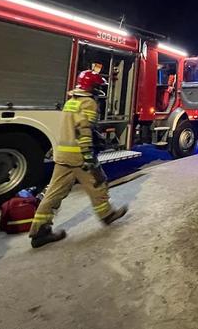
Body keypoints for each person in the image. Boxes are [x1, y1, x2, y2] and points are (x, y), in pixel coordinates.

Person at [28, 68, 128, 248]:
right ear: (91, 87)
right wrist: (88, 154)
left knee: (54, 192)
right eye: (97, 86)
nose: (99, 89)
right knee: (98, 182)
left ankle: (39, 231)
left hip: (63, 154)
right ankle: (107, 215)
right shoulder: (88, 102)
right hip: (79, 155)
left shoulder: (71, 101)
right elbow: (84, 128)